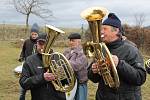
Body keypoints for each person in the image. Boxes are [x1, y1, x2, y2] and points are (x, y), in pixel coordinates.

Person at [88, 13, 146, 100]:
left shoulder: (131, 50)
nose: (101, 32)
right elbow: (93, 78)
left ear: (116, 31)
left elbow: (140, 78)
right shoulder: (100, 49)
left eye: (104, 29)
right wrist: (93, 71)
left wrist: (119, 64)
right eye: (101, 29)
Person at [19, 33, 66, 100]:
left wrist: (61, 76)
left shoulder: (58, 58)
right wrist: (42, 77)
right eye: (40, 44)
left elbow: (66, 82)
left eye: (46, 44)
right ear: (36, 44)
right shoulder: (30, 60)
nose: (43, 47)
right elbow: (24, 83)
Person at [63, 33, 88, 100]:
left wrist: (64, 62)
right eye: (70, 40)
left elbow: (76, 66)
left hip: (80, 83)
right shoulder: (67, 51)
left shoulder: (83, 53)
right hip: (69, 83)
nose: (71, 42)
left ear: (79, 42)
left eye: (73, 41)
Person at [18, 23, 39, 100]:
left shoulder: (39, 43)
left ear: (38, 34)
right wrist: (21, 57)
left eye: (35, 34)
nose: (33, 36)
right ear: (30, 33)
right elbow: (23, 51)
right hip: (27, 66)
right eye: (32, 34)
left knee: (35, 86)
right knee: (23, 87)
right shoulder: (26, 42)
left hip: (35, 67)